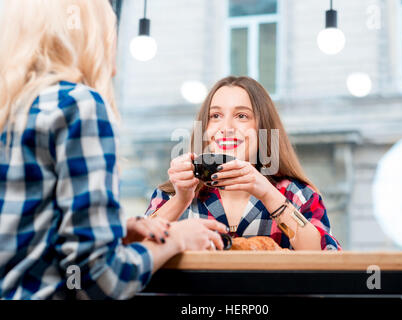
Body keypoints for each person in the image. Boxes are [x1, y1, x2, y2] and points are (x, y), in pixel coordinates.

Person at [0, 0, 227, 300]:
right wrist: (175, 239)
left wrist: (116, 232)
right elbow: (96, 278)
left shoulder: (12, 110)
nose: (115, 68)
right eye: (109, 39)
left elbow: (27, 237)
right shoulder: (79, 106)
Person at [145, 76, 341, 251]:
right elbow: (138, 251)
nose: (226, 128)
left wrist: (268, 194)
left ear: (263, 128)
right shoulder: (172, 194)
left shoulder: (297, 194)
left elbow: (324, 258)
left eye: (241, 116)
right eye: (215, 116)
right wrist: (181, 199)